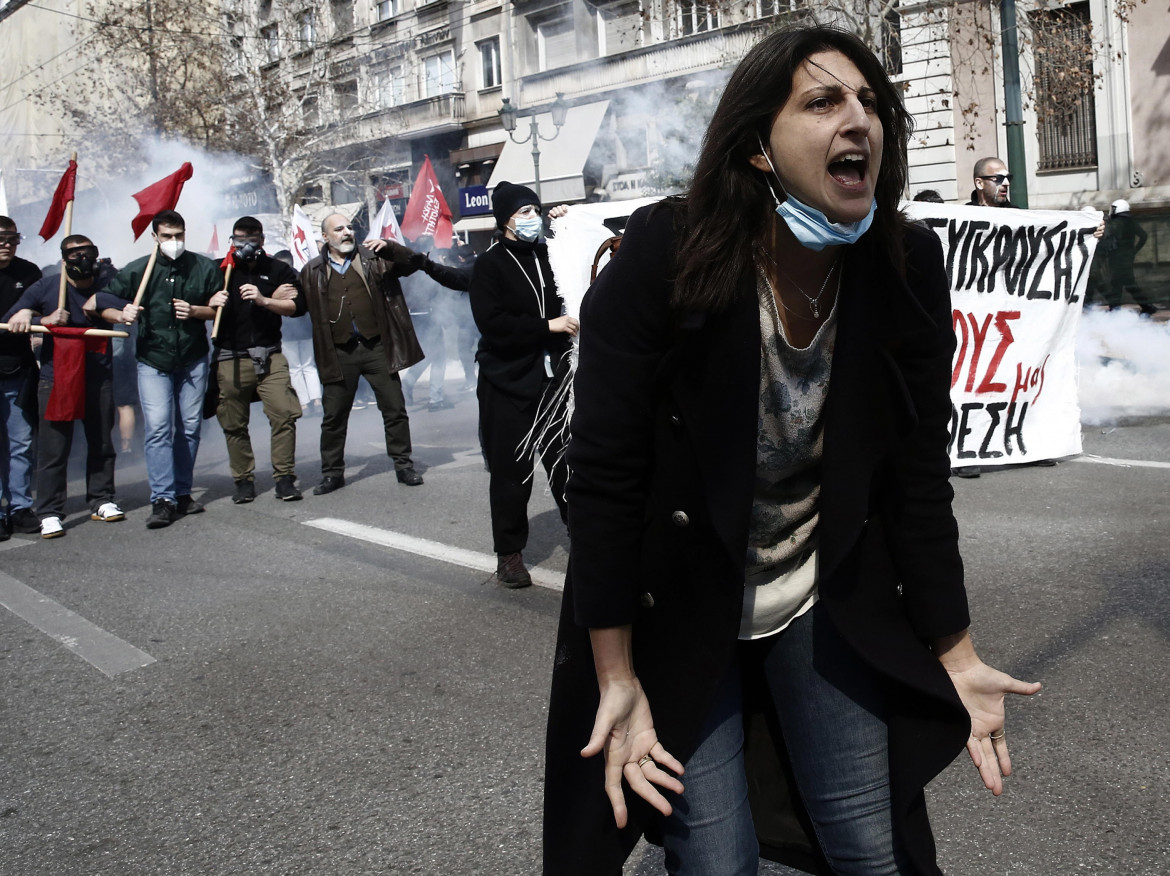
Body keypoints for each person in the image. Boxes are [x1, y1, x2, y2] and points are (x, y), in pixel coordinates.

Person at [544, 26, 1041, 876]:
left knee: (872, 848)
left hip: (816, 595)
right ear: (758, 149)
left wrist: (954, 652)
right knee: (718, 858)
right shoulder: (667, 253)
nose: (860, 121)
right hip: (685, 599)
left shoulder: (907, 263)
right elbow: (607, 481)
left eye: (871, 102)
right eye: (823, 102)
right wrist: (616, 676)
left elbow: (919, 481)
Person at [469, 182, 576, 588]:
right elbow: (492, 325)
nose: (532, 217)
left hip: (553, 382)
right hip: (508, 383)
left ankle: (582, 537)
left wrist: (568, 226)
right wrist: (545, 327)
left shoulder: (550, 253)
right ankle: (509, 555)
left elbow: (596, 259)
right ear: (506, 220)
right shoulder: (489, 265)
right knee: (512, 475)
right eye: (524, 212)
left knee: (567, 465)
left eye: (536, 209)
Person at [299, 213, 448, 493]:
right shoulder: (312, 271)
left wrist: (390, 246)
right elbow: (298, 305)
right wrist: (267, 300)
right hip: (339, 352)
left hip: (377, 347)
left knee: (394, 408)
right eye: (339, 229)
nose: (347, 232)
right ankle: (332, 473)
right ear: (325, 237)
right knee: (334, 416)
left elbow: (412, 263)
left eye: (349, 227)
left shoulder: (375, 258)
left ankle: (404, 465)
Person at [90, 210, 221, 529]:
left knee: (189, 427)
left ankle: (182, 491)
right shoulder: (138, 271)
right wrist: (120, 314)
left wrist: (196, 310)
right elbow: (94, 303)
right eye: (167, 236)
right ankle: (162, 498)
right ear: (155, 237)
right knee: (160, 427)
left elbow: (216, 311)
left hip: (192, 357)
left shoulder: (203, 266)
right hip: (153, 360)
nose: (174, 242)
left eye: (179, 235)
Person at [4, 235, 124, 537]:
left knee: (101, 441)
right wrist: (36, 315)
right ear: (63, 259)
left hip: (98, 373)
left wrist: (121, 311)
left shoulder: (107, 281)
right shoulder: (48, 286)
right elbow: (11, 319)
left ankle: (101, 498)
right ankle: (48, 510)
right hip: (56, 376)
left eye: (87, 252)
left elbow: (122, 305)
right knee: (53, 448)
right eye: (74, 254)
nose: (82, 258)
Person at [206, 217, 308, 504]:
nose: (246, 245)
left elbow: (297, 306)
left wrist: (266, 300)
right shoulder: (219, 271)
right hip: (231, 357)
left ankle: (285, 478)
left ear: (262, 240)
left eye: (252, 239)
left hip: (270, 354)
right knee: (233, 422)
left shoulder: (278, 269)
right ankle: (243, 480)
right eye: (240, 240)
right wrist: (211, 302)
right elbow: (200, 306)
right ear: (232, 241)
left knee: (284, 415)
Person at [0, 216, 41, 540]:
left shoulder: (29, 273)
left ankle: (20, 506)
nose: (6, 245)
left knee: (21, 442)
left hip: (17, 369)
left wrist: (30, 313)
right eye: (1, 239)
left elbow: (43, 308)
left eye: (12, 239)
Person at [1101, 199, 1156, 316]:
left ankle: (1144, 307)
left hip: (1117, 258)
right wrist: (1134, 251)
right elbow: (1143, 236)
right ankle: (1117, 309)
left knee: (1120, 284)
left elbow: (1108, 237)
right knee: (1124, 283)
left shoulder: (1115, 223)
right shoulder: (1131, 222)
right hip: (1127, 258)